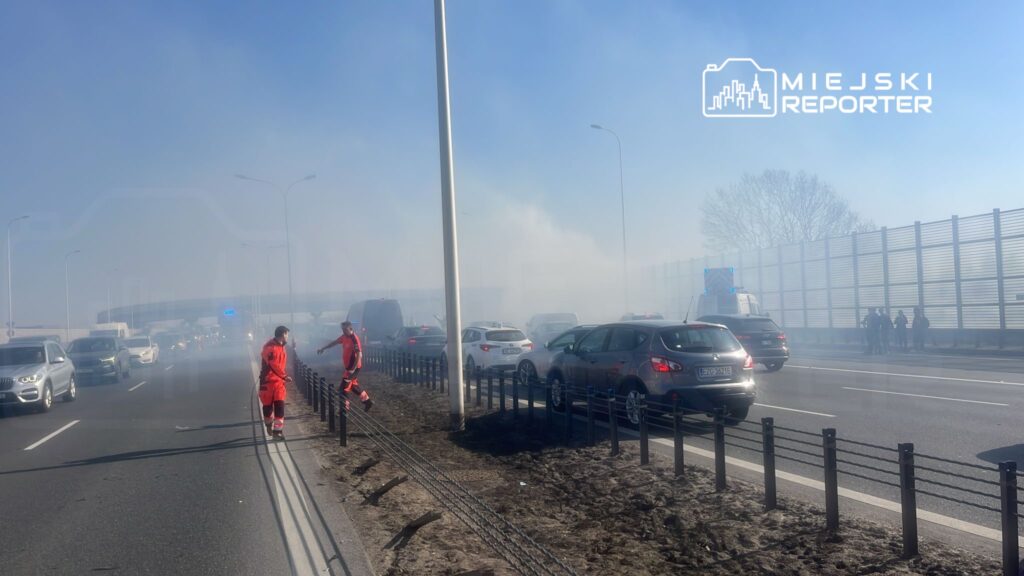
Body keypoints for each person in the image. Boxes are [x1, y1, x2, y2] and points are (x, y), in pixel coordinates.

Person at [318, 321, 373, 412]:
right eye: (342, 330)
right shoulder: (344, 336)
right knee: (353, 387)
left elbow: (358, 355)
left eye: (345, 330)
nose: (343, 331)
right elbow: (335, 342)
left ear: (350, 329)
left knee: (343, 388)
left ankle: (344, 410)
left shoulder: (354, 339)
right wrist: (323, 348)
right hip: (349, 368)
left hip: (353, 368)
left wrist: (353, 369)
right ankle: (368, 402)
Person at [260, 326, 293, 440]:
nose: (288, 336)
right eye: (287, 334)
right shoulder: (270, 347)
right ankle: (269, 424)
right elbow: (273, 364)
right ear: (283, 334)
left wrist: (283, 377)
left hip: (279, 383)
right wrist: (284, 376)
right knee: (267, 408)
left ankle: (277, 432)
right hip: (267, 382)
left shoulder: (282, 347)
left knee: (280, 406)